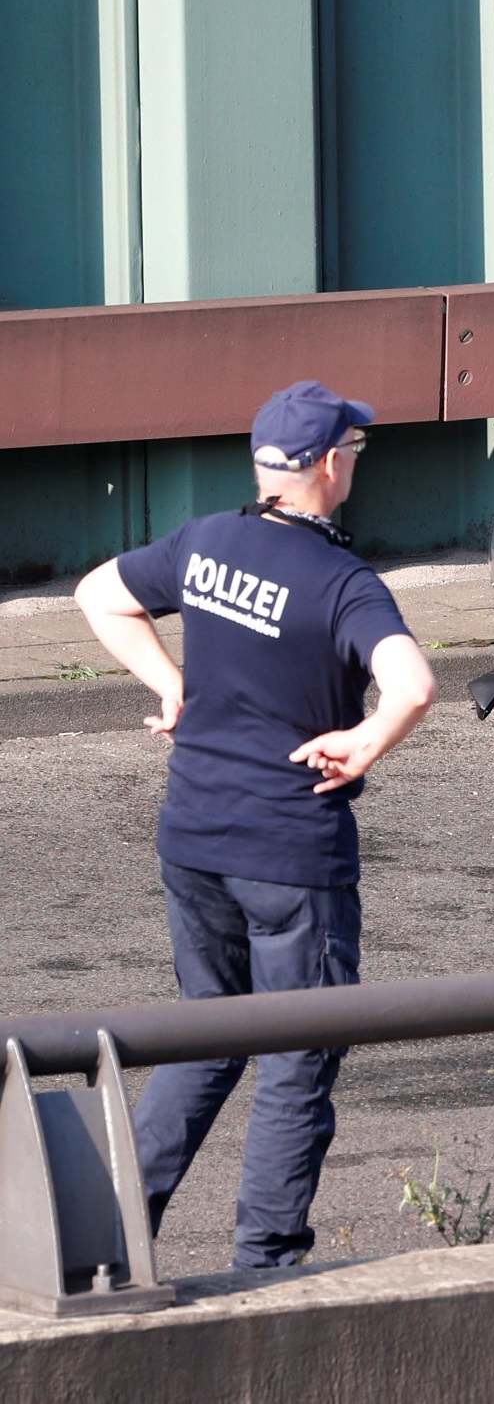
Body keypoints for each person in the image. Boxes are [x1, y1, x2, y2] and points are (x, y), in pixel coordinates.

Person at [74, 381, 436, 1269]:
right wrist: (365, 741)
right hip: (289, 855)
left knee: (208, 1031)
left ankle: (108, 1244)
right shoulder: (343, 581)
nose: (354, 463)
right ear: (326, 463)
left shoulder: (206, 541)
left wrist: (172, 684)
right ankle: (267, 1263)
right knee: (295, 1057)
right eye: (352, 450)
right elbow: (416, 683)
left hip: (193, 836)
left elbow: (99, 595)